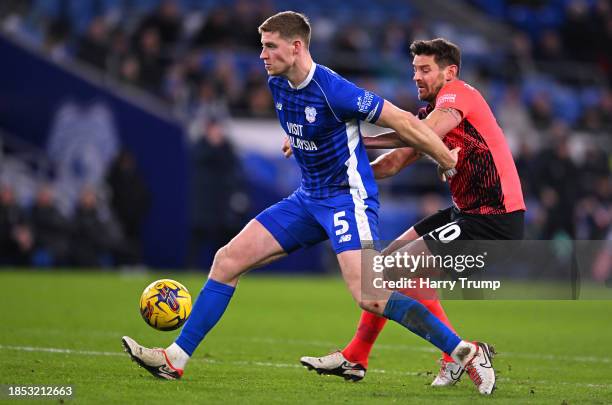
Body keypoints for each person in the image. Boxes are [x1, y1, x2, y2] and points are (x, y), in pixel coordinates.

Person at [121, 13, 496, 395]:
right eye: (262, 46)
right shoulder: (276, 83)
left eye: (270, 46)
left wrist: (445, 159)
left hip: (346, 201)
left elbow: (404, 122)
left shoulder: (335, 89)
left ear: (296, 47)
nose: (262, 55)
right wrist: (297, 141)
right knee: (227, 259)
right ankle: (175, 359)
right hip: (307, 199)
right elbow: (308, 127)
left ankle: (464, 352)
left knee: (370, 294)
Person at [299, 38, 525, 389]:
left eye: (425, 69)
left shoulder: (458, 94)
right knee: (379, 273)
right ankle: (356, 358)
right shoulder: (429, 115)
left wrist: (351, 139)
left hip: (495, 221)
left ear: (449, 72)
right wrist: (339, 159)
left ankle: (460, 354)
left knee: (393, 270)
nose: (416, 77)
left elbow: (424, 134)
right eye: (414, 70)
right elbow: (391, 164)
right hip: (463, 213)